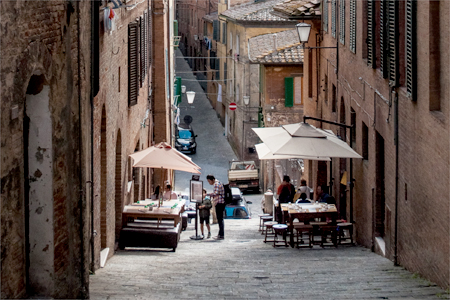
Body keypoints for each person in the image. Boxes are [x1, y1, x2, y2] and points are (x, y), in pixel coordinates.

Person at [207, 175, 225, 240]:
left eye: (209, 181)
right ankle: (220, 234)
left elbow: (215, 193)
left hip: (219, 203)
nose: (209, 183)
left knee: (220, 219)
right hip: (220, 202)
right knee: (220, 219)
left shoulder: (216, 184)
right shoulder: (218, 183)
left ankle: (221, 235)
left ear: (212, 180)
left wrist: (207, 194)